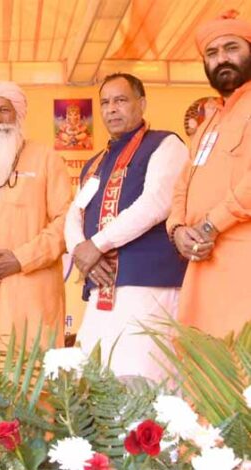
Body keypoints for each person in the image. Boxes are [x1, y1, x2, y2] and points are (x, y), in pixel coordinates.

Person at [65, 73, 189, 380]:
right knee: (95, 380)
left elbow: (156, 202)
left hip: (148, 284)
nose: (111, 109)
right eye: (105, 102)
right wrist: (81, 250)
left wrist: (97, 245)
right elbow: (74, 214)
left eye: (120, 100)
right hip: (102, 285)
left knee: (145, 379)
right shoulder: (95, 162)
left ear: (141, 103)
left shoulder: (165, 144)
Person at [0, 81, 72, 346]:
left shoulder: (46, 158)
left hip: (32, 290)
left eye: (4, 110)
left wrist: (21, 259)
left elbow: (66, 221)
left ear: (17, 114)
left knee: (32, 365)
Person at [167, 10, 251, 338]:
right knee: (204, 358)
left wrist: (209, 225)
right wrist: (177, 230)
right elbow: (183, 185)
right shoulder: (208, 123)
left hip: (242, 259)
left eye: (232, 48)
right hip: (202, 262)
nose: (222, 59)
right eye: (212, 53)